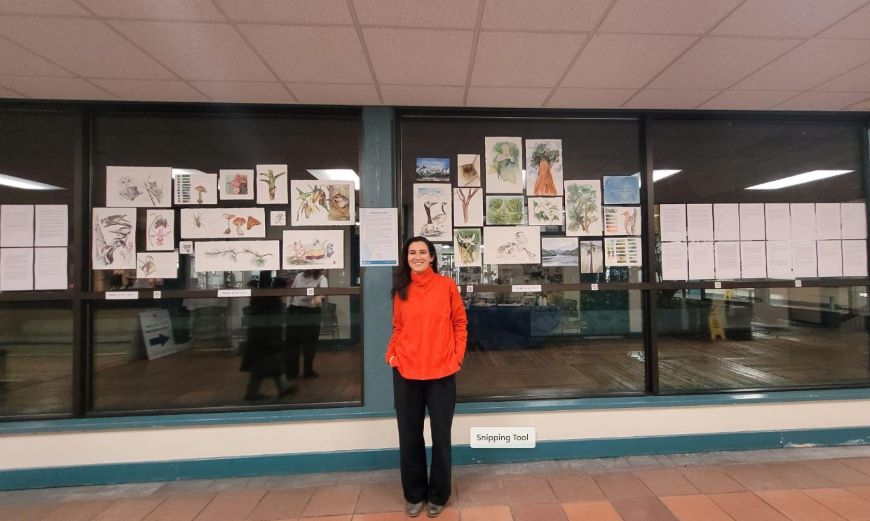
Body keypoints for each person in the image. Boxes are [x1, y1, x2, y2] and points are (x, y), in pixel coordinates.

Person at [386, 236, 467, 518]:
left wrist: (456, 357)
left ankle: (438, 494)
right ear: (406, 257)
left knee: (440, 435)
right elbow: (397, 327)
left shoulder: (446, 286)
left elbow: (460, 323)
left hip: (442, 371)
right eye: (412, 252)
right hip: (406, 370)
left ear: (432, 257)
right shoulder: (401, 289)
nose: (417, 256)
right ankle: (414, 493)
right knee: (409, 435)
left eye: (423, 252)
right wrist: (392, 355)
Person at [241, 275, 295, 401]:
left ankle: (281, 388)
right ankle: (279, 389)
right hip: (267, 338)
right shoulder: (273, 301)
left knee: (265, 365)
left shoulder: (262, 299)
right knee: (268, 364)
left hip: (259, 337)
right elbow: (275, 320)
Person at [286, 269, 328, 379]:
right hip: (296, 310)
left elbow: (323, 293)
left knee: (310, 343)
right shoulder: (299, 276)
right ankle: (292, 371)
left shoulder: (321, 278)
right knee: (292, 342)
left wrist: (318, 298)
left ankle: (308, 370)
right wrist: (288, 307)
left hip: (311, 311)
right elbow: (292, 292)